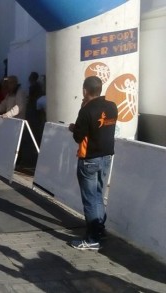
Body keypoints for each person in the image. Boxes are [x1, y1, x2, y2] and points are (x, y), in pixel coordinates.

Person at [68, 76, 118, 251]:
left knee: (90, 199)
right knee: (98, 195)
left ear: (84, 91)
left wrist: (74, 126)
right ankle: (99, 230)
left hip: (89, 159)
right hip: (106, 157)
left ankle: (92, 239)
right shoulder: (113, 106)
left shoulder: (86, 110)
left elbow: (78, 137)